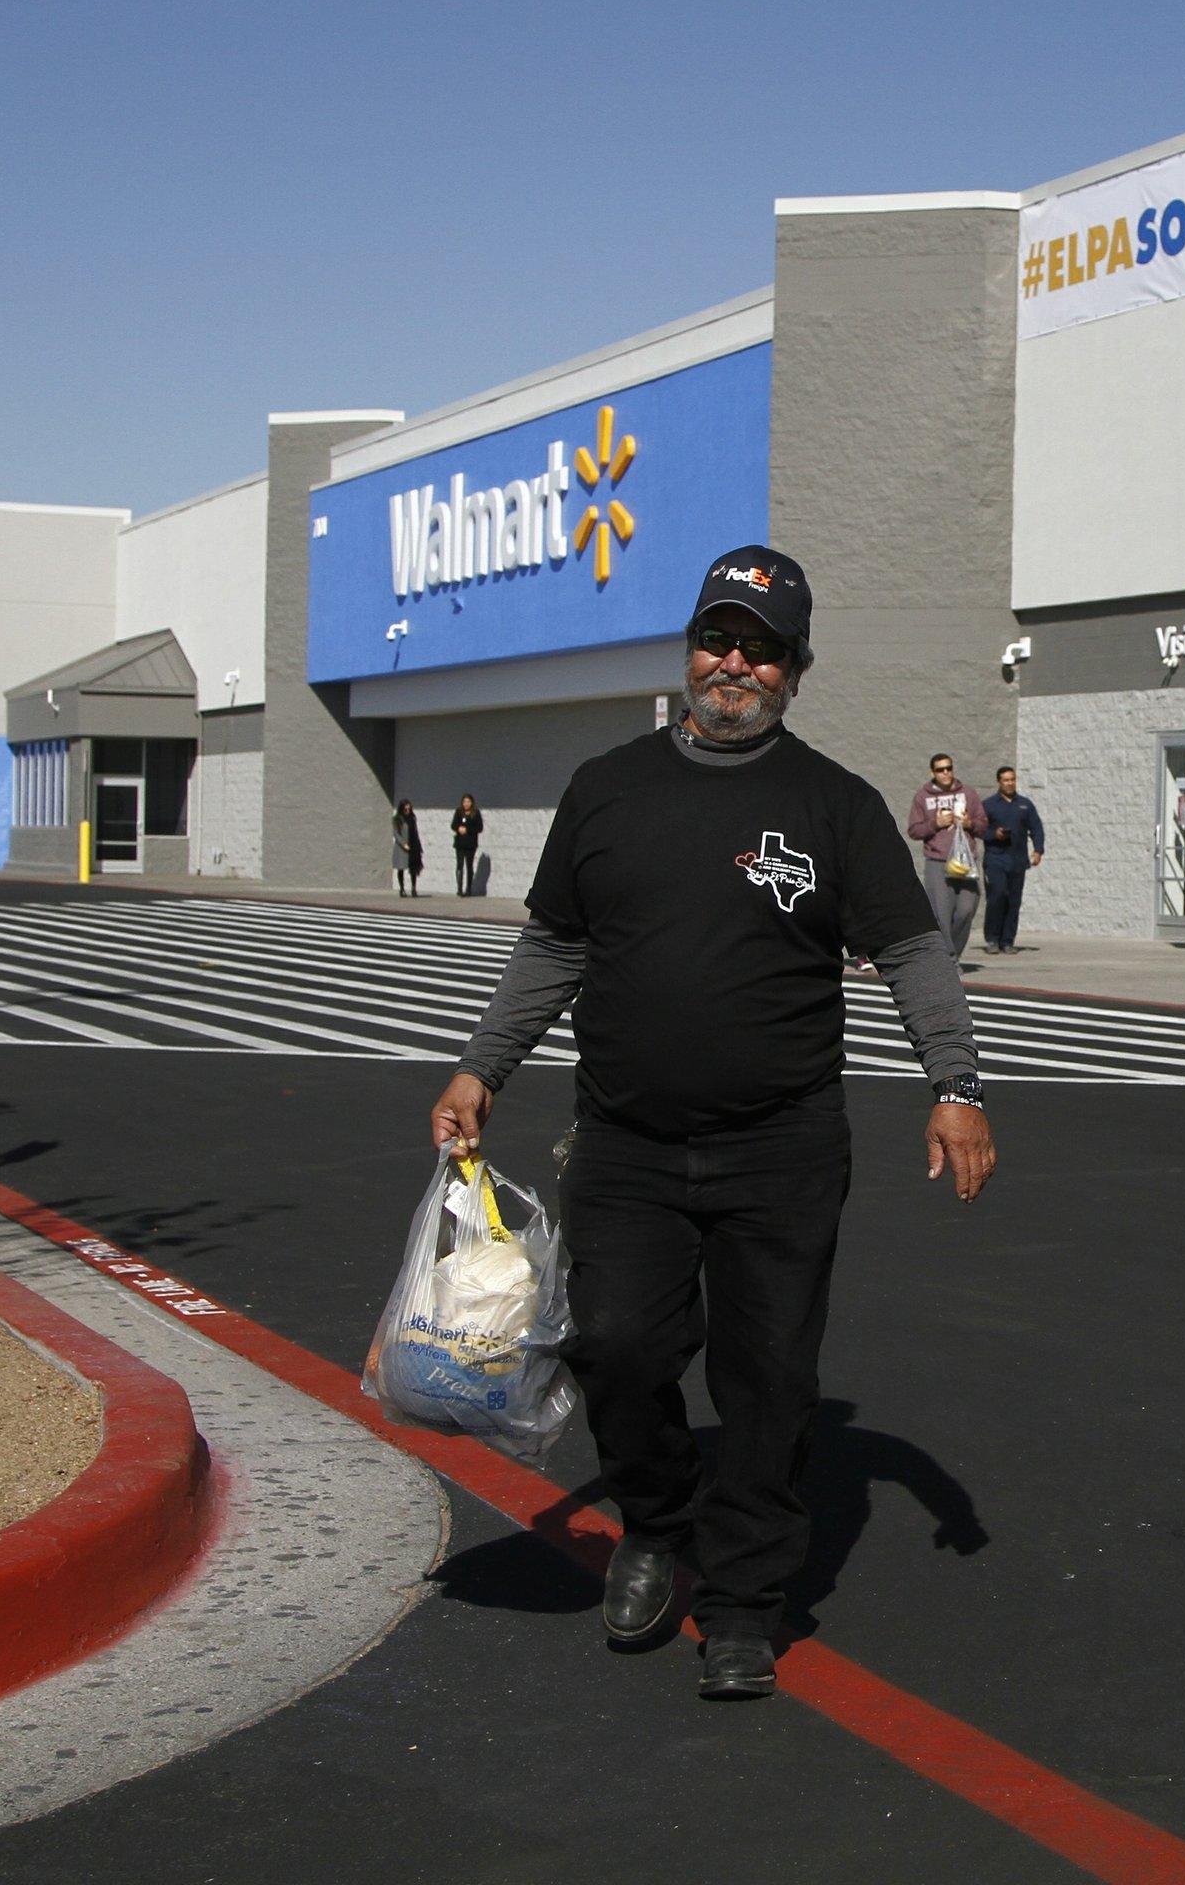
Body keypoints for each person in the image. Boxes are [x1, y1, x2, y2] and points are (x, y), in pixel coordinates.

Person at [429, 545, 994, 1702]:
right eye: (718, 638)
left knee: (770, 1382)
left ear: (795, 667)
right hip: (627, 1143)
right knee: (617, 1348)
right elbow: (553, 945)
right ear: (691, 647)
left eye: (762, 647)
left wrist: (958, 1081)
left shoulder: (830, 804)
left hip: (781, 1148)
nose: (734, 662)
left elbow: (909, 949)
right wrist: (483, 1065)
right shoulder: (608, 786)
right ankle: (656, 1516)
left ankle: (742, 1599)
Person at [904, 752, 985, 958]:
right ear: (933, 772)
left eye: (949, 768)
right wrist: (936, 824)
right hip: (937, 861)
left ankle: (952, 953)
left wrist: (969, 823)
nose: (946, 773)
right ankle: (948, 958)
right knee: (941, 913)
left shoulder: (968, 793)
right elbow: (914, 830)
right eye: (941, 770)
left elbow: (983, 825)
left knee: (967, 910)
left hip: (964, 861)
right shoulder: (923, 797)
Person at [978, 766, 1045, 955]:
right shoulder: (989, 805)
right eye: (1006, 780)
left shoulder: (1025, 805)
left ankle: (1007, 941)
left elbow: (1036, 828)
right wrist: (995, 835)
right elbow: (980, 830)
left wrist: (1038, 850)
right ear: (998, 782)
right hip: (995, 860)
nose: (1010, 783)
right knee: (997, 896)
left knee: (1013, 901)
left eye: (1012, 780)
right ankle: (992, 939)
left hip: (1018, 860)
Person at [450, 794, 485, 896]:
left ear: (472, 803)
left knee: (469, 866)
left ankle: (468, 889)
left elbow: (479, 828)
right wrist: (458, 828)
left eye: (468, 802)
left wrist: (468, 830)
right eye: (465, 802)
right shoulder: (458, 812)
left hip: (470, 843)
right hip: (460, 843)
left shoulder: (476, 813)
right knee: (459, 865)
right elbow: (453, 825)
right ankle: (459, 888)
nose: (466, 804)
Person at [391, 798, 424, 897]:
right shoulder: (397, 819)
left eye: (409, 809)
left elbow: (415, 832)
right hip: (402, 847)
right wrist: (403, 844)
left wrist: (418, 845)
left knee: (414, 868)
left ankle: (414, 888)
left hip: (413, 844)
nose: (407, 811)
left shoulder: (412, 818)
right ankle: (402, 889)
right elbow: (396, 834)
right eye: (405, 809)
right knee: (401, 868)